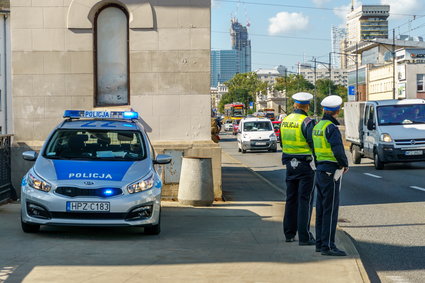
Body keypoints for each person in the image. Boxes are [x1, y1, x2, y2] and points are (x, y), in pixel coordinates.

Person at [312, 95, 349, 256]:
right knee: (331, 210)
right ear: (337, 110)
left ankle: (320, 243)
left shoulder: (317, 126)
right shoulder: (331, 128)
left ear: (324, 110)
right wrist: (344, 164)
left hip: (320, 169)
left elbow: (314, 149)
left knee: (321, 208)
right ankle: (328, 246)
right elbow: (338, 149)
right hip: (331, 171)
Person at [280, 92, 316, 245]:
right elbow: (312, 143)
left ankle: (289, 233)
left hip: (289, 163)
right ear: (307, 106)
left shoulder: (285, 120)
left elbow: (281, 143)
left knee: (291, 198)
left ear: (294, 104)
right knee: (304, 200)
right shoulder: (307, 121)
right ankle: (304, 236)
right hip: (305, 164)